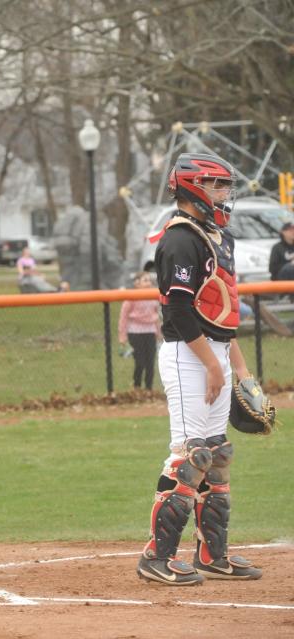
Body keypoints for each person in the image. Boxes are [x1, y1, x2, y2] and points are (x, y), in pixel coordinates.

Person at [136, 153, 262, 585]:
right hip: (186, 355)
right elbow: (179, 310)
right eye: (217, 185)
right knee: (191, 455)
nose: (225, 194)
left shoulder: (217, 236)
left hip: (214, 354)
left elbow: (221, 317)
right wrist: (212, 366)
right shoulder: (179, 239)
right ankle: (156, 556)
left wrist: (239, 370)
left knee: (217, 455)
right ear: (193, 188)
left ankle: (213, 554)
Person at [118, 271, 161, 390]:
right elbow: (123, 317)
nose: (149, 283)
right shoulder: (131, 297)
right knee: (140, 362)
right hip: (135, 333)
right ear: (137, 284)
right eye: (145, 280)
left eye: (149, 281)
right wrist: (122, 336)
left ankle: (149, 389)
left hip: (150, 332)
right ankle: (137, 388)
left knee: (150, 363)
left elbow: (156, 315)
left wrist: (158, 332)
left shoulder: (153, 296)